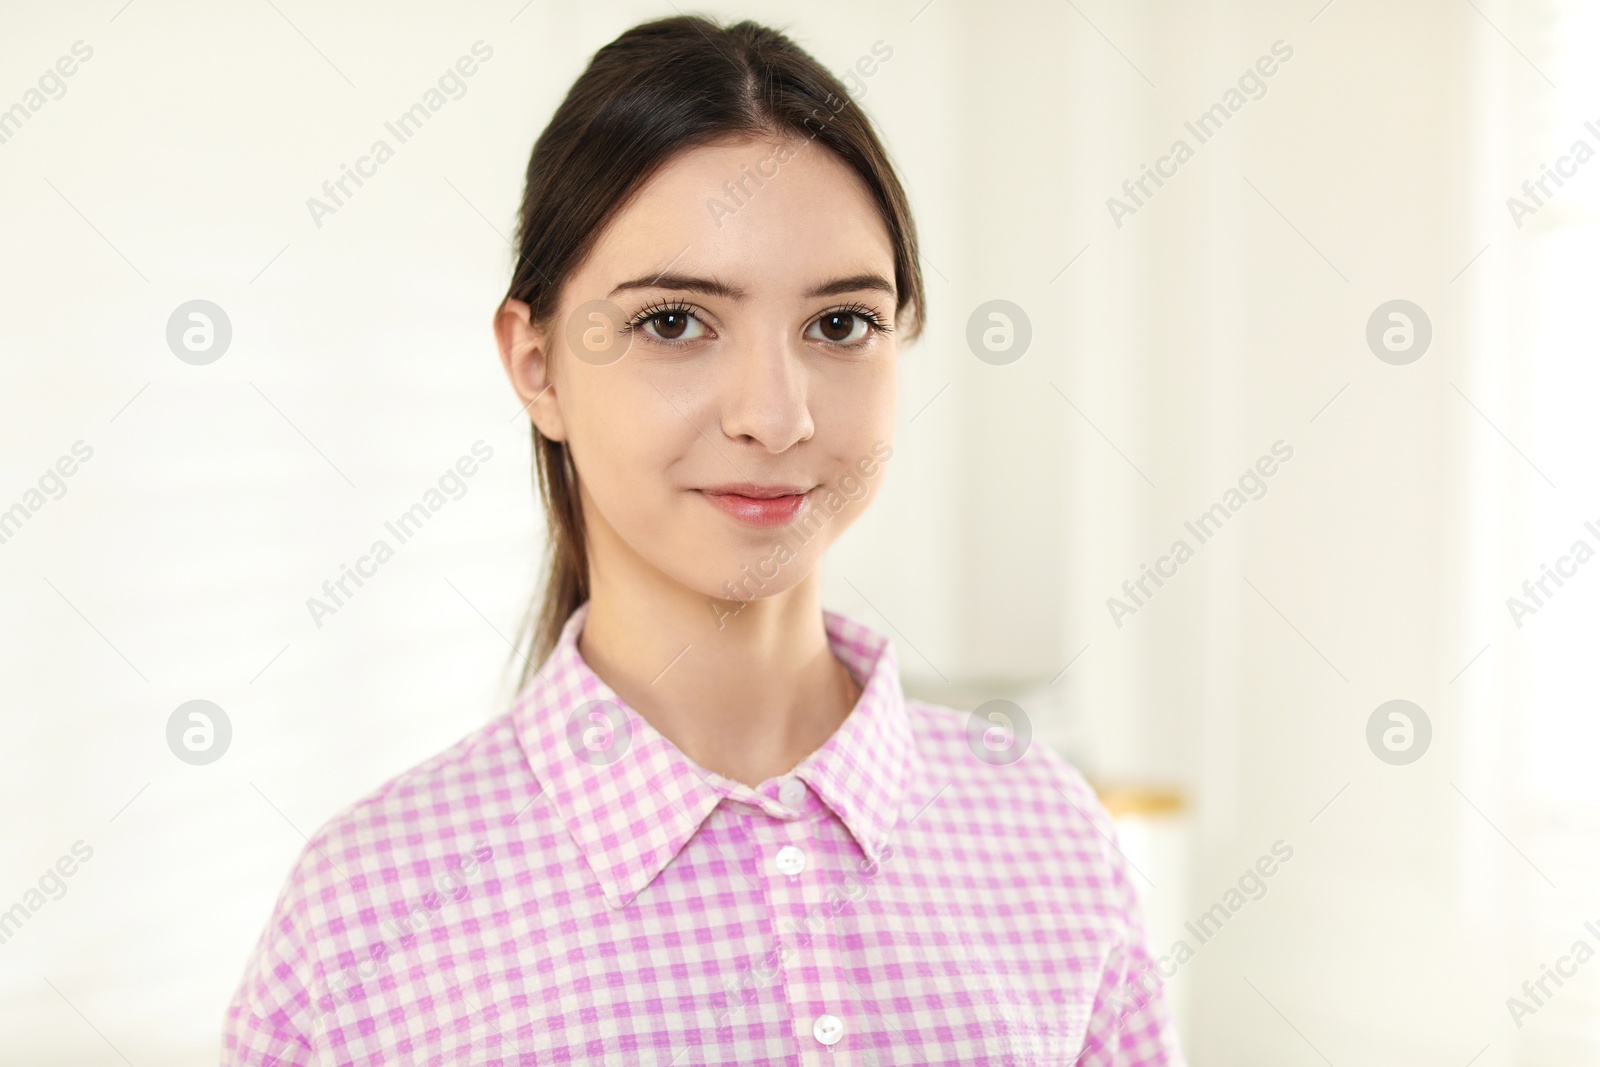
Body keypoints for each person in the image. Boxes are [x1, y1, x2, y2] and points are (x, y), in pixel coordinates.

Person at [223, 15, 1183, 1065]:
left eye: (839, 324)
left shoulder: (1046, 835)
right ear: (536, 363)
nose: (774, 416)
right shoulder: (365, 915)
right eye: (675, 321)